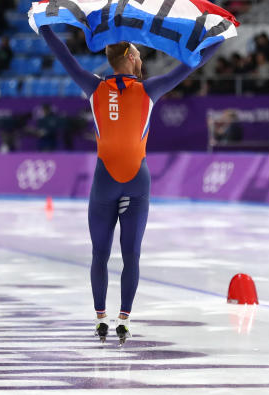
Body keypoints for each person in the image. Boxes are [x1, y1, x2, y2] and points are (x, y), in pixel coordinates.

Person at [39, 26, 221, 344]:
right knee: (130, 255)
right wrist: (219, 37)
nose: (141, 59)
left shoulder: (93, 87)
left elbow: (62, 55)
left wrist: (43, 27)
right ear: (131, 56)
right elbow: (193, 63)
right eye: (139, 54)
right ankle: (122, 318)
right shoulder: (149, 90)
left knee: (100, 253)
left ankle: (102, 319)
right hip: (137, 180)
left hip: (105, 180)